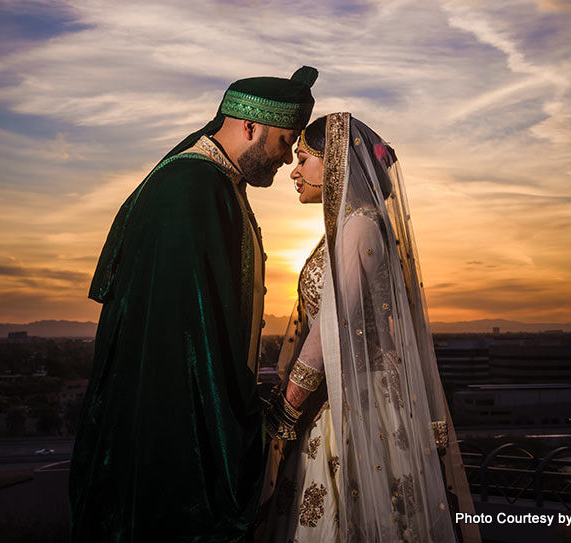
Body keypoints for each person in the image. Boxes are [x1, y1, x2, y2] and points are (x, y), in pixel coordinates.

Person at [69, 66, 319, 542]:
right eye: (285, 141)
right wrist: (230, 436)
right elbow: (186, 335)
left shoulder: (213, 183)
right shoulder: (191, 189)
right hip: (172, 428)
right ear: (250, 126)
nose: (287, 158)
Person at [259, 113, 481, 542]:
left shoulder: (360, 226)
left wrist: (288, 402)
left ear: (337, 163)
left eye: (304, 159)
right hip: (340, 393)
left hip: (362, 398)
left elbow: (334, 322)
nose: (294, 170)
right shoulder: (345, 228)